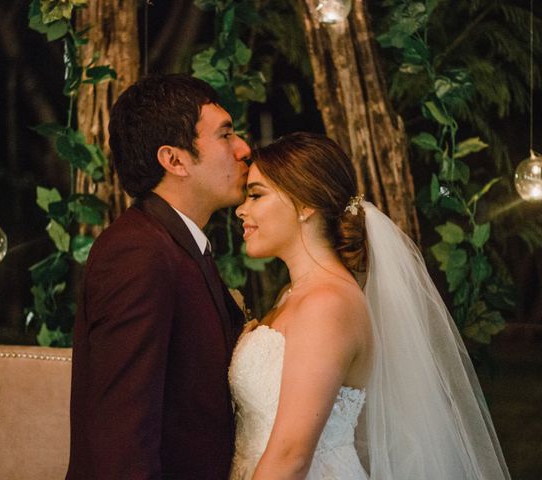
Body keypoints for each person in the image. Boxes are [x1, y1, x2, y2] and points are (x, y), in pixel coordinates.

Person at [231, 132, 511, 479]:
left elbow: (291, 454)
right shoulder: (295, 294)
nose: (242, 209)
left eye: (256, 195)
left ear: (305, 205)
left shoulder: (327, 304)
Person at [65, 74, 251, 479]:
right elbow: (122, 433)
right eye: (225, 135)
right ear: (175, 160)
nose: (244, 149)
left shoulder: (175, 244)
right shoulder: (137, 252)